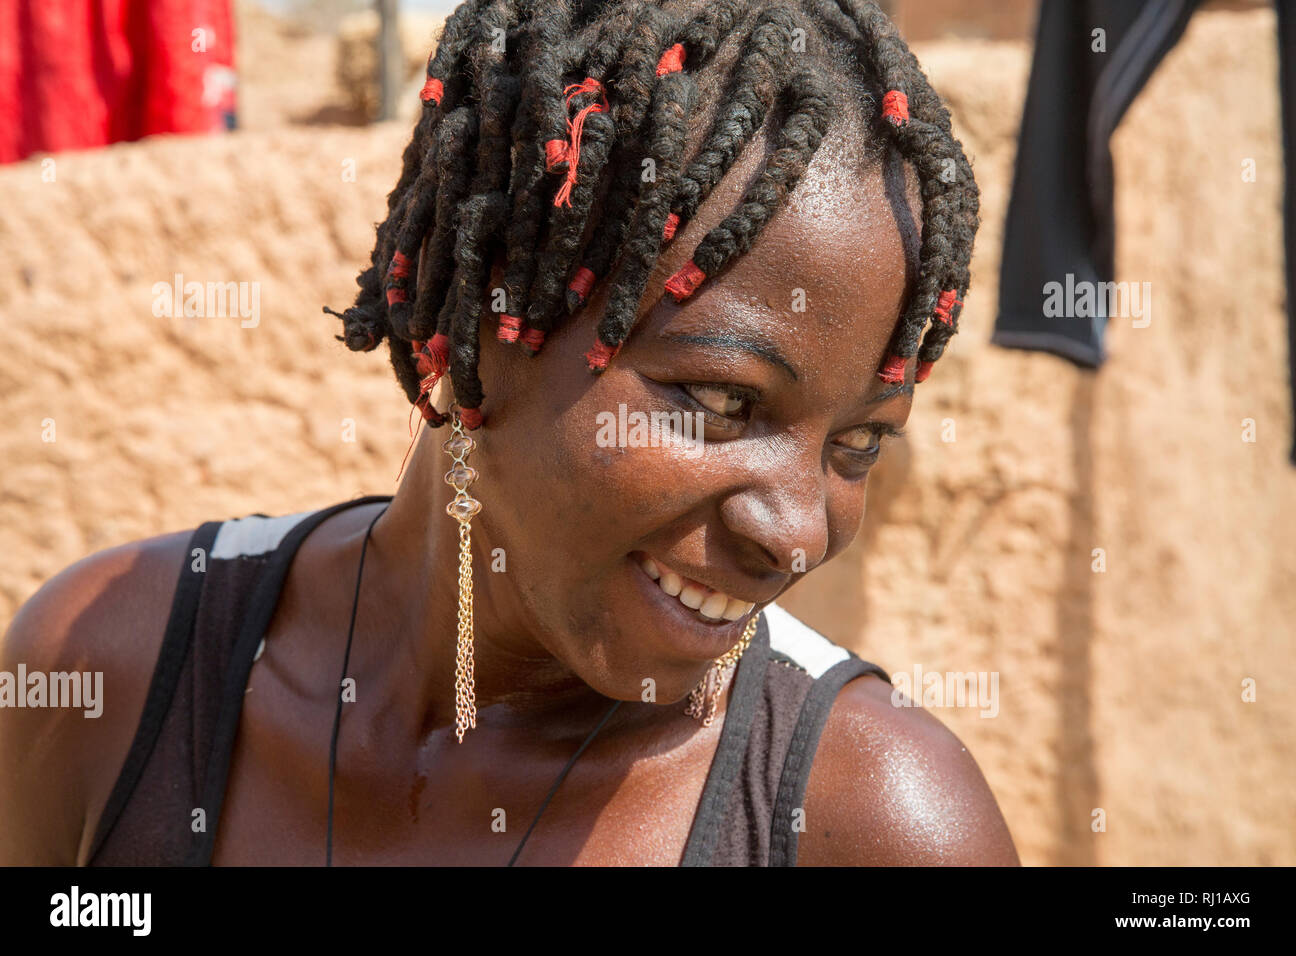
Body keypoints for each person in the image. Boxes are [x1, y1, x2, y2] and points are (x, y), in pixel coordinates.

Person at [0, 0, 1018, 866]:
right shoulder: (108, 680)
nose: (794, 531)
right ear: (476, 331)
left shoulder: (868, 821)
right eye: (720, 403)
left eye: (857, 444)